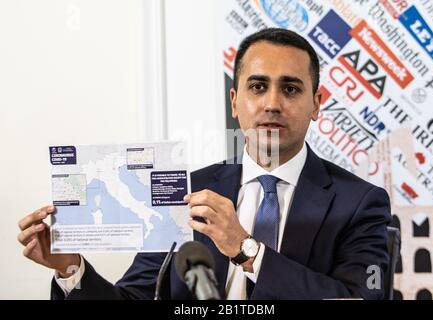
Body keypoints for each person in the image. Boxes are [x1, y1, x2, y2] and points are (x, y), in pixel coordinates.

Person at [17, 28, 391, 300]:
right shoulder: (183, 191)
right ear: (234, 101)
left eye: (290, 88)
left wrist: (246, 250)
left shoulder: (361, 203)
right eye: (258, 87)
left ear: (316, 103)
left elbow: (362, 298)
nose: (272, 103)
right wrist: (70, 268)